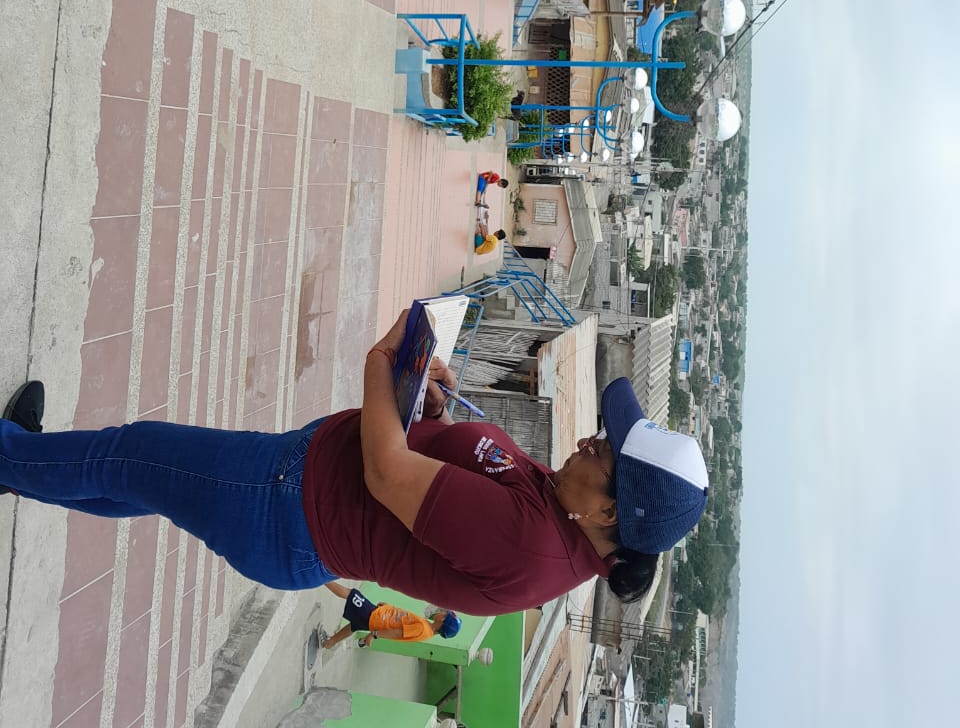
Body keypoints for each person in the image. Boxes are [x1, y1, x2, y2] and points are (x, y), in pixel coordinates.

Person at [0, 309, 708, 614]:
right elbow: (444, 474)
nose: (587, 441)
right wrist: (430, 405)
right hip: (295, 491)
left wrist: (380, 362)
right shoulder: (558, 505)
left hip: (283, 507)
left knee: (130, 454)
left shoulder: (532, 546)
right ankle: (22, 464)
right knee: (135, 478)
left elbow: (388, 475)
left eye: (602, 451)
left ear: (608, 512)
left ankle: (10, 456)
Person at [318, 580, 460, 650]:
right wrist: (388, 608)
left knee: (351, 594)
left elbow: (397, 633)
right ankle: (330, 642)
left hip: (375, 619)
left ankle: (320, 578)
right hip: (378, 617)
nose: (441, 611)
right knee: (353, 625)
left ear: (442, 620)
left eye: (444, 613)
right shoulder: (426, 628)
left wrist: (374, 635)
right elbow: (401, 619)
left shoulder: (423, 629)